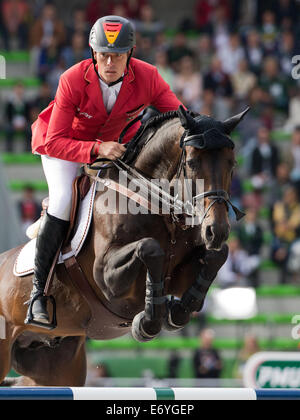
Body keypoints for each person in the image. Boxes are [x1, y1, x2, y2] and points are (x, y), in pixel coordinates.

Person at [25, 15, 183, 327]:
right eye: (104, 55)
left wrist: (205, 131)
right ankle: (37, 296)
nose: (110, 62)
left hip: (116, 148)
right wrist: (96, 148)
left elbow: (179, 117)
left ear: (131, 53)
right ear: (93, 53)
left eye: (118, 55)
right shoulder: (72, 78)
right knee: (62, 201)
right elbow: (56, 141)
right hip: (64, 147)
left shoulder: (149, 77)